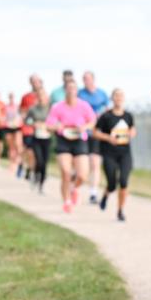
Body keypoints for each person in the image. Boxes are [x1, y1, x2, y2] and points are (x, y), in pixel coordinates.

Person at [46, 78, 96, 213]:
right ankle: (67, 201)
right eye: (69, 88)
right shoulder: (57, 106)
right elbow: (49, 125)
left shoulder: (84, 105)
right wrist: (56, 126)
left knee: (83, 175)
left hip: (79, 139)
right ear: (65, 90)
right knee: (66, 172)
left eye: (74, 88)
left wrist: (85, 127)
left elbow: (92, 121)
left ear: (77, 90)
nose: (71, 90)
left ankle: (74, 188)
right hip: (63, 140)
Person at [93, 88, 137, 221]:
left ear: (123, 99)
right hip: (109, 153)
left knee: (123, 181)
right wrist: (108, 137)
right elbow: (95, 132)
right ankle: (106, 196)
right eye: (116, 96)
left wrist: (132, 133)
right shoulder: (106, 116)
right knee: (112, 184)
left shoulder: (128, 116)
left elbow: (133, 129)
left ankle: (120, 210)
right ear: (112, 98)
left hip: (125, 154)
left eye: (121, 96)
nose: (118, 98)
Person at [78, 70, 110, 204]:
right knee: (82, 166)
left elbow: (107, 110)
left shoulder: (102, 94)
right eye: (84, 79)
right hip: (83, 134)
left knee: (95, 164)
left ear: (93, 79)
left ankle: (93, 193)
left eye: (88, 78)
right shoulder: (80, 94)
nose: (86, 81)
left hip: (96, 133)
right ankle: (76, 186)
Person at [24, 86, 52, 193]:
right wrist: (34, 123)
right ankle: (36, 175)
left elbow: (56, 120)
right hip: (36, 137)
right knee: (39, 160)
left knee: (45, 162)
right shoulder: (33, 108)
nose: (41, 98)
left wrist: (49, 125)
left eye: (43, 95)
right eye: (39, 96)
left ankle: (41, 184)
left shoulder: (51, 109)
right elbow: (27, 120)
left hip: (47, 137)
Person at [19, 75, 44, 181]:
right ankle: (28, 168)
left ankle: (32, 170)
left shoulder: (45, 96)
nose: (35, 84)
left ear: (41, 82)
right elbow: (22, 111)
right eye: (33, 82)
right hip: (28, 128)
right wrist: (26, 118)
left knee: (38, 153)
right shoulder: (26, 97)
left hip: (42, 129)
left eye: (36, 82)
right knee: (29, 150)